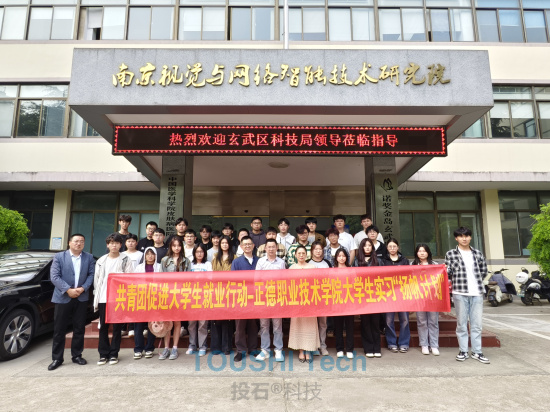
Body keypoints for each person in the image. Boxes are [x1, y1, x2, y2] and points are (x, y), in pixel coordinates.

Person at [48, 233, 95, 371]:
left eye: (81, 241)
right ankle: (57, 358)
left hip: (81, 296)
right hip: (63, 297)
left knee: (79, 328)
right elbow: (54, 277)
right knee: (59, 329)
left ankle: (77, 355)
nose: (79, 243)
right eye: (76, 241)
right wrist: (68, 289)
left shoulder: (89, 257)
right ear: (69, 243)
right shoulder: (59, 257)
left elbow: (91, 275)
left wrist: (83, 288)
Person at [445, 227, 490, 364]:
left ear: (470, 237)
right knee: (461, 324)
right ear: (456, 238)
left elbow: (483, 271)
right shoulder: (451, 254)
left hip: (477, 293)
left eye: (466, 236)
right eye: (461, 236)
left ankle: (477, 351)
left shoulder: (477, 253)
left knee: (477, 324)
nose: (464, 238)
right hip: (459, 293)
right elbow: (447, 273)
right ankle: (463, 351)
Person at [93, 233, 133, 366]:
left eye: (116, 243)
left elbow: (130, 278)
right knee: (103, 326)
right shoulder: (101, 261)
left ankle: (114, 354)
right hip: (104, 297)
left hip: (119, 298)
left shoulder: (125, 259)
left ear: (121, 245)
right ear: (107, 245)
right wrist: (97, 295)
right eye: (111, 243)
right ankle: (103, 354)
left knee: (117, 328)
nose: (114, 245)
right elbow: (97, 280)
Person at [159, 237, 191, 360]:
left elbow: (188, 279)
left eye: (178, 245)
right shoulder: (165, 260)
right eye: (174, 246)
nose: (176, 248)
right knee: (167, 322)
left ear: (181, 247)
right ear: (170, 247)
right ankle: (166, 348)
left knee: (177, 322)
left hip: (180, 295)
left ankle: (175, 348)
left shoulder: (186, 261)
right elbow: (161, 278)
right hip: (167, 294)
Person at [288, 245, 320, 363]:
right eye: (299, 253)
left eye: (303, 253)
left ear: (306, 255)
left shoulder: (312, 267)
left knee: (309, 326)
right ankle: (301, 350)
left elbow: (317, 283)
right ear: (295, 255)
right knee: (298, 325)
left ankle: (308, 350)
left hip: (309, 300)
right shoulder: (292, 268)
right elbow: (288, 285)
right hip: (296, 301)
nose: (301, 255)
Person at [256, 238, 286, 362]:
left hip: (277, 297)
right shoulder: (261, 261)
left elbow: (284, 279)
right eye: (269, 247)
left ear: (277, 248)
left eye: (273, 247)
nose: (271, 249)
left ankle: (278, 349)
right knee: (264, 325)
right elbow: (257, 279)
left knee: (277, 325)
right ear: (265, 248)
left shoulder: (281, 262)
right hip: (264, 297)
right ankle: (265, 350)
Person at [230, 236, 259, 362]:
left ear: (253, 246)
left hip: (256, 297)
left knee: (253, 324)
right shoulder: (236, 262)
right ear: (241, 247)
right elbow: (233, 280)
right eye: (245, 244)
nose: (247, 246)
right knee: (240, 325)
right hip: (241, 297)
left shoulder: (259, 261)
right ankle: (241, 350)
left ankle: (253, 349)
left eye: (249, 244)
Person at [383, 238, 411, 353]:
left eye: (394, 246)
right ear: (387, 248)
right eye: (390, 246)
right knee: (388, 320)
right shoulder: (383, 261)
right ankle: (391, 342)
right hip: (388, 294)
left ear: (398, 247)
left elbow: (409, 275)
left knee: (404, 319)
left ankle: (404, 343)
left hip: (402, 293)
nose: (392, 248)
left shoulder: (404, 260)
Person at [133, 247, 161, 360]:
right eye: (147, 254)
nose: (150, 256)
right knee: (138, 325)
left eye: (152, 254)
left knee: (152, 324)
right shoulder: (139, 267)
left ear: (155, 255)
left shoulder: (159, 267)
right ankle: (138, 349)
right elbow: (134, 282)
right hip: (141, 298)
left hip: (155, 298)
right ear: (144, 255)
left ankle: (149, 348)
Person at [356, 238, 383, 358]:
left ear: (372, 247)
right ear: (361, 247)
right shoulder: (357, 261)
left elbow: (384, 276)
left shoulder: (379, 261)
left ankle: (377, 348)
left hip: (376, 295)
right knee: (365, 323)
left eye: (369, 245)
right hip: (363, 296)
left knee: (375, 323)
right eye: (365, 245)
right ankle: (368, 348)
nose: (367, 247)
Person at [412, 243, 440, 356]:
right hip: (419, 297)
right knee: (422, 321)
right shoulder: (412, 265)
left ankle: (434, 345)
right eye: (420, 251)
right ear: (416, 253)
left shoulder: (435, 265)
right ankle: (424, 344)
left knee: (433, 321)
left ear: (428, 252)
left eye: (424, 251)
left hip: (433, 298)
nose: (422, 253)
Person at [211, 235, 236, 355]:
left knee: (228, 320)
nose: (224, 245)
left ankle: (227, 347)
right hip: (217, 291)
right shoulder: (215, 257)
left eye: (226, 243)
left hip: (230, 292)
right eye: (222, 243)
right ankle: (216, 347)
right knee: (216, 320)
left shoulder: (234, 257)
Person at [187, 243, 212, 357]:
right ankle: (192, 345)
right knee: (192, 323)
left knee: (203, 323)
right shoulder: (190, 264)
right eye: (197, 252)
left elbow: (210, 279)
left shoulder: (208, 264)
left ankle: (202, 346)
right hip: (191, 296)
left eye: (201, 251)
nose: (199, 254)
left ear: (204, 253)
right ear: (194, 253)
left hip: (204, 295)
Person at [307, 241, 331, 356]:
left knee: (323, 323)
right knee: (312, 323)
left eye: (320, 249)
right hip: (311, 297)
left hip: (324, 296)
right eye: (315, 249)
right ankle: (314, 346)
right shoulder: (307, 263)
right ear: (312, 251)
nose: (318, 251)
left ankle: (322, 345)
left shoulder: (327, 263)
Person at [332, 247, 355, 359]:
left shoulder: (351, 270)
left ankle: (349, 349)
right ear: (336, 258)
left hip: (349, 301)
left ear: (346, 257)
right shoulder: (332, 271)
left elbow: (355, 285)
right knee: (338, 326)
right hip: (337, 302)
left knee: (350, 326)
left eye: (343, 256)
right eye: (339, 256)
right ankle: (340, 348)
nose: (341, 258)